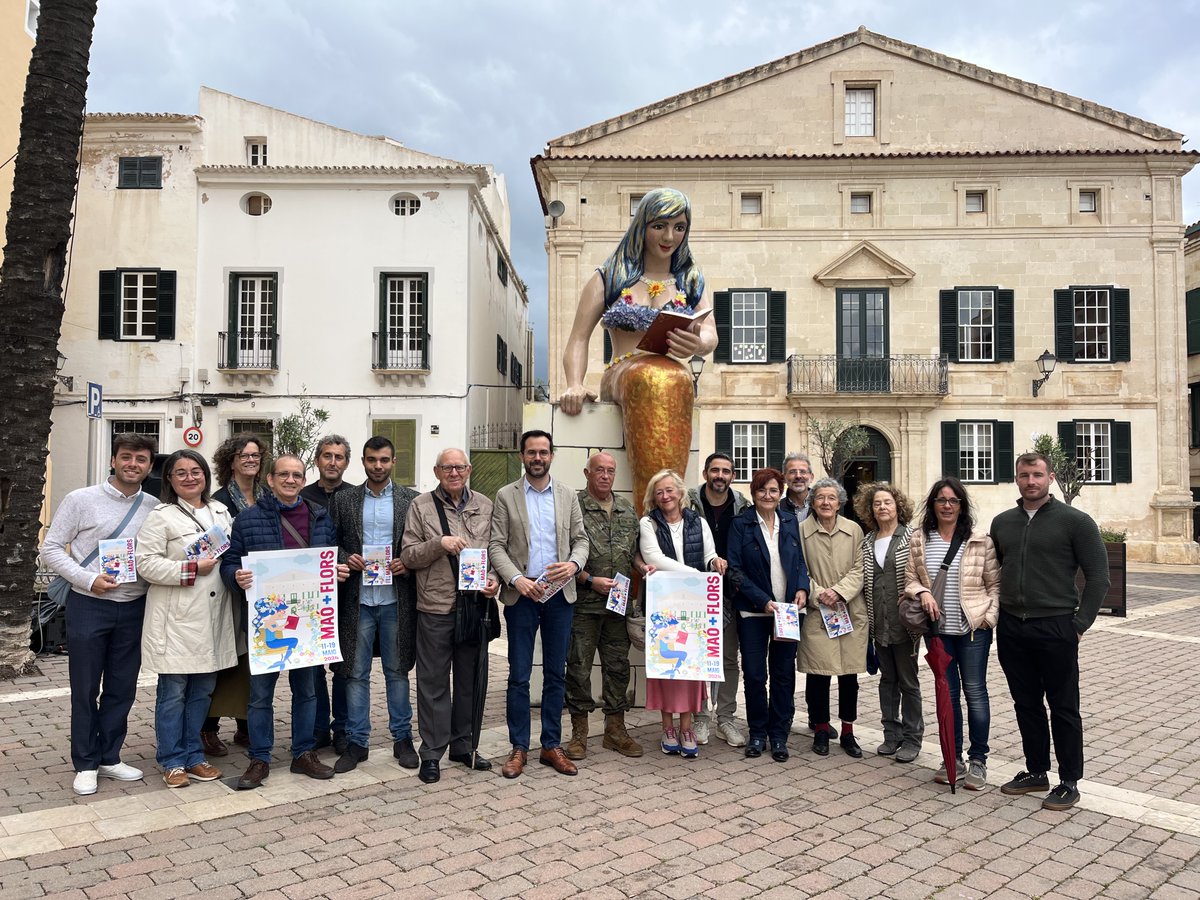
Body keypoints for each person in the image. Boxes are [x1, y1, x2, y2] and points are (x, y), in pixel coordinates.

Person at [558, 188, 718, 515]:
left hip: (671, 376)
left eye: (679, 227)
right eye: (659, 226)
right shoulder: (610, 277)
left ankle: (672, 512)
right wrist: (574, 382)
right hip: (622, 371)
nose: (669, 236)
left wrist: (699, 343)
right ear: (642, 226)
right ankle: (653, 517)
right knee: (654, 376)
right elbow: (578, 338)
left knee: (671, 377)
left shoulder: (690, 279)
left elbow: (710, 331)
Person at [220, 454, 349, 789]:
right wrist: (236, 575)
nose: (291, 480)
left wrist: (337, 568)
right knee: (260, 694)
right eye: (284, 475)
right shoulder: (248, 520)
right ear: (271, 479)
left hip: (308, 622)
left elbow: (331, 557)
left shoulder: (320, 517)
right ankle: (259, 758)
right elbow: (230, 562)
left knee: (307, 691)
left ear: (303, 481)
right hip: (267, 621)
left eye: (297, 475)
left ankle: (303, 753)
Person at [990, 453, 1109, 811]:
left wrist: (1079, 625)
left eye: (1037, 475)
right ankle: (1036, 770)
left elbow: (1099, 577)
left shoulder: (1076, 522)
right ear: (1016, 478)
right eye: (1024, 475)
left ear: (1051, 477)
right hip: (1012, 626)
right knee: (1025, 703)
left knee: (1063, 706)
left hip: (1057, 625)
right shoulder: (1003, 523)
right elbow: (994, 571)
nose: (1031, 481)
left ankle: (1069, 780)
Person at [42, 432, 157, 796]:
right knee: (85, 687)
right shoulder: (81, 500)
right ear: (113, 460)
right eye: (126, 457)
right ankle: (86, 762)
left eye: (141, 459)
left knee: (122, 688)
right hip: (89, 605)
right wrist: (88, 579)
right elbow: (51, 548)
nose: (133, 464)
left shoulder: (154, 506)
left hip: (135, 606)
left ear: (149, 466)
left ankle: (110, 755)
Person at [489, 430, 589, 779]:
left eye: (543, 452)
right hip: (523, 595)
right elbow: (496, 546)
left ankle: (551, 744)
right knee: (518, 675)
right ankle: (519, 747)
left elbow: (580, 540)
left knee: (554, 673)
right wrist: (517, 579)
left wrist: (574, 565)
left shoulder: (567, 495)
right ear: (522, 456)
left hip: (560, 595)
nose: (537, 458)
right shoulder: (506, 495)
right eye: (531, 452)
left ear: (551, 456)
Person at [136, 450, 237, 788]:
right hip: (178, 619)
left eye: (196, 471)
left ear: (206, 475)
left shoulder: (221, 512)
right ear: (169, 479)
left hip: (213, 617)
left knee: (202, 693)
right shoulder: (160, 516)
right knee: (173, 692)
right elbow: (145, 564)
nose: (190, 477)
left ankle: (194, 755)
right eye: (181, 473)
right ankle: (171, 759)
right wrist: (188, 569)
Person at [401, 448, 501, 784]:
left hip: (474, 605)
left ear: (469, 469)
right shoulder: (421, 506)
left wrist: (495, 580)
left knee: (471, 680)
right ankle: (431, 752)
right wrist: (438, 544)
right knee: (432, 683)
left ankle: (464, 745)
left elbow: (497, 551)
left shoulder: (485, 505)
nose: (454, 472)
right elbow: (408, 555)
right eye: (447, 467)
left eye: (459, 467)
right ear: (437, 470)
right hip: (435, 605)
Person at [328, 436, 419, 773]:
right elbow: (331, 541)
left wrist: (407, 563)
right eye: (371, 460)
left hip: (396, 599)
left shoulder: (411, 500)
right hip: (358, 600)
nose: (377, 466)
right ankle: (357, 741)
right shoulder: (345, 499)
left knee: (398, 672)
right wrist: (344, 557)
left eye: (384, 460)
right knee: (355, 673)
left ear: (394, 462)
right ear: (363, 462)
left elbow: (420, 545)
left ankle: (402, 738)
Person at [905, 476, 999, 790]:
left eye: (953, 500)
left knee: (975, 694)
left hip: (973, 630)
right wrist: (923, 593)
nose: (947, 505)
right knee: (949, 696)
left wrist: (988, 617)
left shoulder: (978, 539)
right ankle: (952, 758)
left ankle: (978, 761)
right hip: (938, 632)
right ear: (932, 505)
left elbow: (994, 585)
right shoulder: (920, 538)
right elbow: (909, 579)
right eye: (941, 500)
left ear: (961, 505)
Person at [638, 469, 728, 760]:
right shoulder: (648, 523)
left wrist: (714, 562)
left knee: (691, 668)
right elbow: (654, 559)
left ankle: (687, 728)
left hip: (693, 605)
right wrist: (695, 576)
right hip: (664, 606)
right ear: (654, 496)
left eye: (670, 490)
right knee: (666, 665)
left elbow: (708, 555)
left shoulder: (697, 522)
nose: (665, 496)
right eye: (660, 492)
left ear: (680, 493)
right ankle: (667, 728)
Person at [726, 468, 809, 762]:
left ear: (781, 493)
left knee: (783, 675)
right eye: (762, 490)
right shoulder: (741, 524)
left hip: (787, 612)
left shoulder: (789, 522)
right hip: (754, 612)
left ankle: (779, 735)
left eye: (773, 490)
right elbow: (734, 570)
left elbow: (799, 561)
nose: (768, 495)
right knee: (755, 674)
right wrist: (762, 601)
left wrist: (802, 589)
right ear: (753, 493)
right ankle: (758, 732)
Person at [565, 452, 644, 760]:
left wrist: (643, 566)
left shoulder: (626, 509)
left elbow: (633, 551)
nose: (605, 476)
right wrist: (588, 580)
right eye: (599, 470)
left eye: (610, 471)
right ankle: (580, 733)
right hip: (584, 602)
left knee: (617, 667)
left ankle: (615, 730)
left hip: (618, 605)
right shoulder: (574, 506)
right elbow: (565, 551)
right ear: (587, 472)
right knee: (579, 667)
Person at [203, 432, 267, 756]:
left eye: (255, 455)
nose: (251, 460)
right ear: (231, 461)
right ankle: (208, 728)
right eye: (244, 455)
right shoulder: (217, 503)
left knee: (252, 663)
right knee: (227, 660)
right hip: (230, 590)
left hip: (263, 591)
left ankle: (245, 727)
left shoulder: (267, 495)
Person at [797, 478, 867, 758]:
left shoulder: (854, 530)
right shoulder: (800, 531)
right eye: (820, 497)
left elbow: (861, 568)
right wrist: (818, 594)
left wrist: (839, 592)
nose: (826, 503)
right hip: (817, 612)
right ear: (812, 502)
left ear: (840, 503)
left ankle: (848, 731)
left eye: (831, 498)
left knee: (849, 675)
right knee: (818, 675)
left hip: (848, 608)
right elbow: (798, 567)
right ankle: (822, 729)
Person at [854, 482, 922, 764]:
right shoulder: (867, 541)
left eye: (888, 502)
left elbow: (920, 572)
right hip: (878, 621)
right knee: (887, 680)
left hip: (904, 621)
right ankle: (890, 734)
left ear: (898, 506)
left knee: (908, 681)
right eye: (877, 503)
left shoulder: (911, 537)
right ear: (871, 509)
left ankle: (912, 738)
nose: (882, 507)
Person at [685, 452, 750, 748]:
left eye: (725, 471)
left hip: (731, 592)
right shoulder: (688, 501)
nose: (719, 476)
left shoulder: (742, 505)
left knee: (727, 657)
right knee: (699, 656)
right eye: (715, 470)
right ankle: (700, 716)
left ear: (732, 476)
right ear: (705, 473)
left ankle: (725, 717)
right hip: (696, 590)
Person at [299, 434, 353, 752]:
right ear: (317, 460)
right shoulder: (301, 496)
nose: (333, 462)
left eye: (339, 457)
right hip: (309, 597)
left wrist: (345, 562)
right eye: (327, 456)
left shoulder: (356, 496)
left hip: (347, 595)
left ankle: (343, 729)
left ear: (346, 462)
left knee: (345, 667)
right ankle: (318, 728)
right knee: (313, 668)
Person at [781, 452, 814, 524]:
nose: (798, 476)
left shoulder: (822, 506)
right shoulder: (777, 508)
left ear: (811, 477)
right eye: (792, 472)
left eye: (803, 471)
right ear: (784, 477)